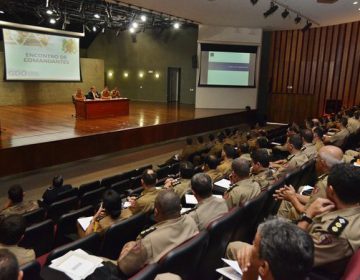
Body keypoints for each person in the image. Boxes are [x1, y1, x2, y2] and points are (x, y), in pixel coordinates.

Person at [117, 190, 199, 276]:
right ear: (180, 207)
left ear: (156, 212)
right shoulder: (191, 220)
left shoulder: (148, 240)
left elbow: (124, 268)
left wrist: (129, 245)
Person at [297, 163, 360, 275]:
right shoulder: (351, 210)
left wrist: (308, 215)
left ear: (330, 190)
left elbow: (291, 254)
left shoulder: (334, 232)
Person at [227, 219, 314, 280]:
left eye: (254, 245)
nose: (249, 248)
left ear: (264, 267)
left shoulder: (252, 271)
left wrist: (249, 272)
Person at [275, 145, 343, 221]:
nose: (315, 160)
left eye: (317, 157)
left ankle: (278, 229)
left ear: (323, 163)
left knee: (288, 203)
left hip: (319, 220)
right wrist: (294, 195)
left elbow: (309, 213)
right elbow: (315, 199)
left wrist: (292, 198)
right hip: (336, 212)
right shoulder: (341, 173)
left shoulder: (324, 184)